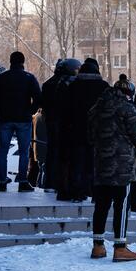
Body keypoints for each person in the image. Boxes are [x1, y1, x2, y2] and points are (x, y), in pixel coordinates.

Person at [87, 74, 136, 262]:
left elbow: (89, 136)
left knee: (101, 204)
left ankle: (98, 246)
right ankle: (120, 247)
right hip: (122, 165)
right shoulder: (127, 108)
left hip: (101, 163)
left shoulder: (96, 108)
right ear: (128, 92)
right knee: (122, 205)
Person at [0, 51, 42, 193]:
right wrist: (30, 111)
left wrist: (1, 111)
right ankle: (23, 181)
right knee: (24, 152)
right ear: (22, 62)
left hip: (5, 119)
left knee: (2, 151)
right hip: (23, 120)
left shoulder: (1, 78)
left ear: (10, 61)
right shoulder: (29, 78)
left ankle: (2, 181)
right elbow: (38, 98)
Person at [61, 58, 109, 202]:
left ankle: (77, 192)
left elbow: (66, 111)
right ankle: (96, 193)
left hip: (76, 131)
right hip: (98, 132)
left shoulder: (73, 86)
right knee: (96, 163)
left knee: (77, 163)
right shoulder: (104, 87)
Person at [38, 58, 80, 192]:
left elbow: (42, 104)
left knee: (52, 152)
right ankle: (62, 184)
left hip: (51, 121)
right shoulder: (69, 84)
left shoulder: (48, 84)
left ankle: (50, 183)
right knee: (65, 154)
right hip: (64, 123)